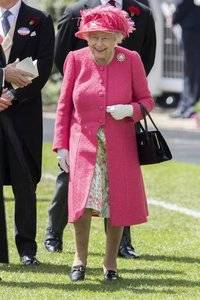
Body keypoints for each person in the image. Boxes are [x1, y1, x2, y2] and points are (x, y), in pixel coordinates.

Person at [45, 0, 156, 260]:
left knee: (118, 199)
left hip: (120, 141)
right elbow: (63, 106)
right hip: (82, 140)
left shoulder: (131, 58)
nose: (98, 44)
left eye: (105, 38)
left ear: (118, 37)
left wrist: (130, 109)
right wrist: (61, 145)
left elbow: (146, 98)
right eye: (93, 37)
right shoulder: (76, 56)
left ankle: (112, 259)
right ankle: (67, 247)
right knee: (78, 196)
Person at [0, 0, 55, 266]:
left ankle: (27, 249)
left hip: (23, 113)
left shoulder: (39, 19)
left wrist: (11, 94)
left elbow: (43, 66)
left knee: (25, 181)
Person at [170, 0, 200, 118]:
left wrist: (173, 18)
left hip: (192, 32)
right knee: (191, 71)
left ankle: (189, 105)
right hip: (192, 31)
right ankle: (187, 105)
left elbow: (182, 7)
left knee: (191, 71)